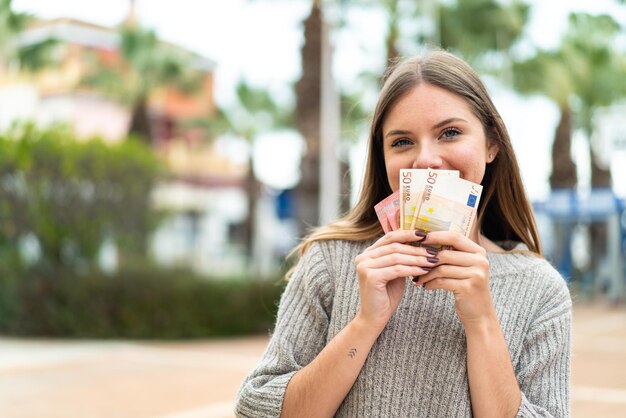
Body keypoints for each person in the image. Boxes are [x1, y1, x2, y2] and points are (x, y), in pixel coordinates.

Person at [235, 49, 571, 417]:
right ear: (383, 157)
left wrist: (482, 320)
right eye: (402, 141)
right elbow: (255, 410)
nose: (426, 159)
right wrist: (365, 323)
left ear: (492, 144)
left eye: (450, 132)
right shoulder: (331, 260)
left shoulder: (540, 288)